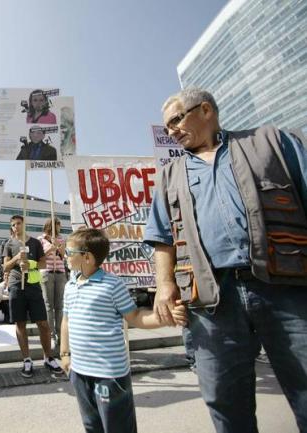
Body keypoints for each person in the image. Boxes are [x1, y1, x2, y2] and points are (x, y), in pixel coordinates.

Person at [144, 87, 307, 433]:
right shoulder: (170, 174)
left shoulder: (272, 142)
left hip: (286, 290)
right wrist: (165, 284)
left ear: (205, 109)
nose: (170, 130)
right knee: (225, 401)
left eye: (175, 119)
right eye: (167, 125)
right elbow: (161, 237)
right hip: (211, 301)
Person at [60, 227, 186, 433]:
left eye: (69, 252)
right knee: (92, 425)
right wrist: (65, 355)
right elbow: (66, 320)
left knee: (117, 427)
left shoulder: (112, 285)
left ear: (87, 257)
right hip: (79, 372)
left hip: (109, 375)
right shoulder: (70, 285)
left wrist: (165, 318)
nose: (65, 256)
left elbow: (135, 316)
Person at [2, 215, 63, 378]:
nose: (16, 227)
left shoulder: (35, 243)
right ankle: (27, 360)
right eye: (13, 225)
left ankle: (48, 357)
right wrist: (17, 258)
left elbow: (43, 263)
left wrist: (31, 264)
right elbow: (5, 267)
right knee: (20, 323)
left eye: (19, 224)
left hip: (33, 285)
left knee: (43, 323)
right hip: (16, 285)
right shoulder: (8, 244)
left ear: (24, 224)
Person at [38, 217, 67, 348]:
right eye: (58, 225)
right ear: (52, 225)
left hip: (60, 272)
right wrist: (50, 247)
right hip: (47, 272)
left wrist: (59, 246)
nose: (60, 227)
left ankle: (61, 335)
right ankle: (51, 335)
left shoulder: (61, 238)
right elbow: (40, 256)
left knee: (60, 306)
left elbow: (63, 255)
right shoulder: (41, 239)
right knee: (48, 306)